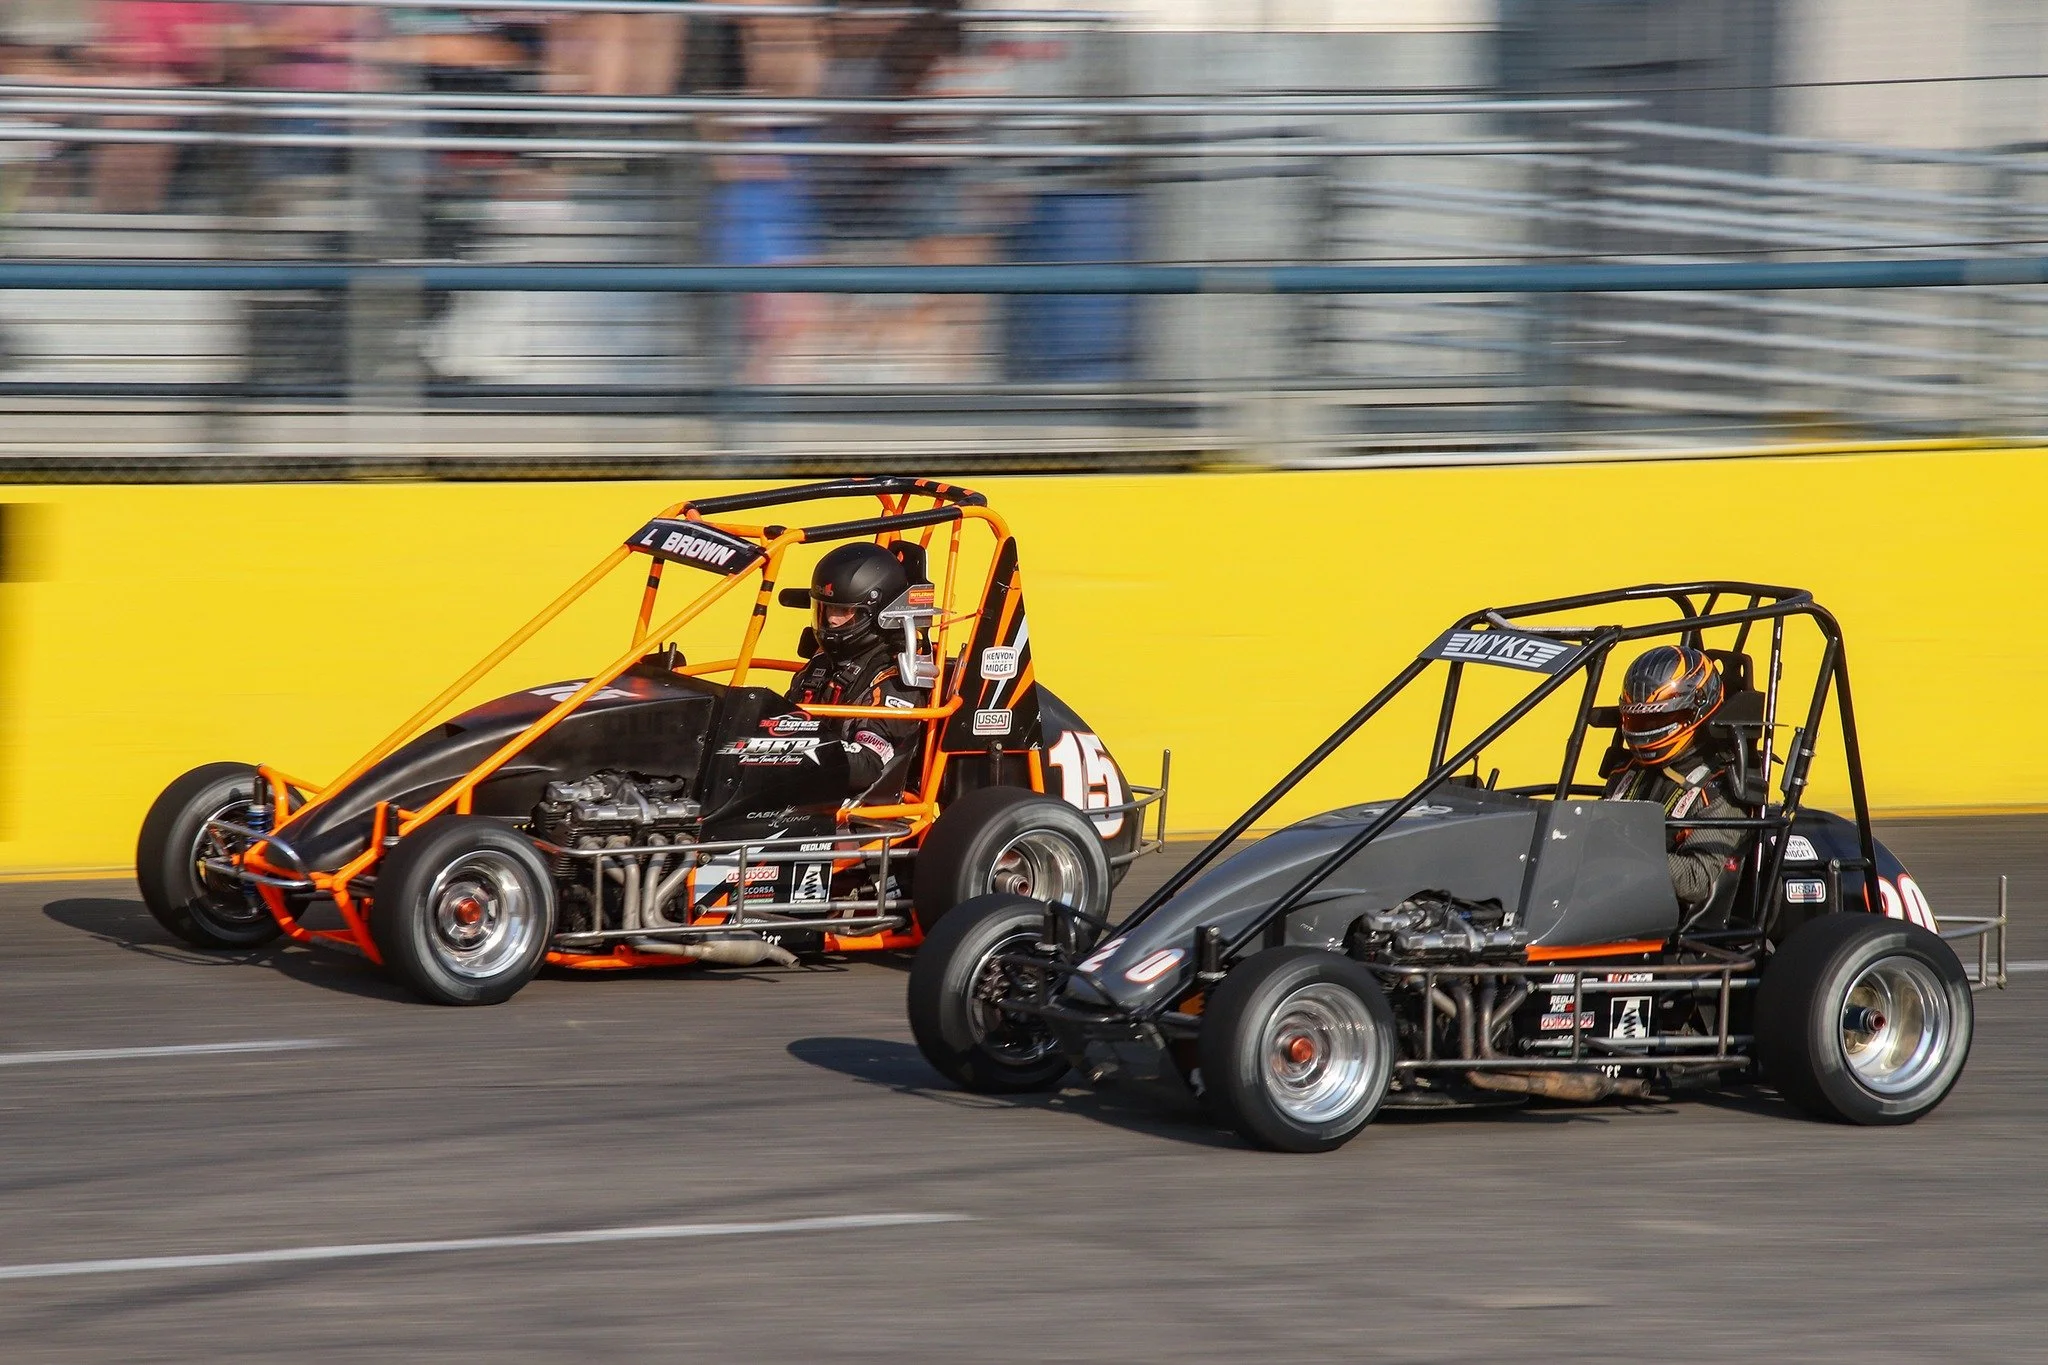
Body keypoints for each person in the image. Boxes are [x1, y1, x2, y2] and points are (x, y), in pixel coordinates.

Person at [1603, 645, 1746, 919]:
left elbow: (1697, 879)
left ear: (1694, 711)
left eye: (1659, 717)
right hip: (1608, 896)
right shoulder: (1629, 771)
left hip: (1660, 921)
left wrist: (1622, 854)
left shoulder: (1718, 790)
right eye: (1638, 719)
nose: (1646, 728)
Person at [783, 543, 925, 801]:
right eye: (826, 609)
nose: (832, 621)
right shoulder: (821, 662)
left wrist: (793, 751)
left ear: (875, 614)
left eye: (843, 611)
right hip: (793, 787)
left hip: (845, 812)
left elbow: (867, 764)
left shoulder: (893, 676)